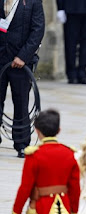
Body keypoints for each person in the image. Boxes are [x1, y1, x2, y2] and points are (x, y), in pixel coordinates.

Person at [7, 109, 80, 214]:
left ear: (37, 131)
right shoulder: (69, 153)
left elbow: (24, 189)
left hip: (40, 212)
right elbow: (75, 189)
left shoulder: (35, 155)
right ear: (59, 130)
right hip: (63, 213)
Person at [0, 0, 45, 158]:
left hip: (20, 61)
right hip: (0, 57)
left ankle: (21, 144)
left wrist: (23, 56)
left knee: (21, 103)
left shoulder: (33, 2)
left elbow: (38, 30)